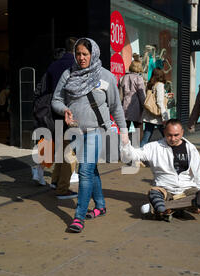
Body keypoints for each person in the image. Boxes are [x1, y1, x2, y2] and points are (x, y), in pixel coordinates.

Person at [52, 38, 128, 233]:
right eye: (78, 54)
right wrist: (64, 110)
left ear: (93, 53)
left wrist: (124, 131)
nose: (81, 57)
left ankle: (78, 217)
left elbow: (116, 107)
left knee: (84, 171)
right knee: (91, 170)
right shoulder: (68, 74)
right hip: (76, 131)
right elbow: (56, 99)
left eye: (85, 54)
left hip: (98, 131)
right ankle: (100, 205)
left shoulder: (107, 77)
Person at [121, 119, 200, 217]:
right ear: (164, 132)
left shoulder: (191, 149)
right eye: (169, 135)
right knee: (154, 193)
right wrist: (126, 143)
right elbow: (133, 155)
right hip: (165, 190)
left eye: (176, 135)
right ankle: (179, 207)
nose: (173, 139)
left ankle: (162, 208)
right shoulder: (154, 147)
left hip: (187, 190)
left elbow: (199, 173)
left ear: (182, 132)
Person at [46, 37, 79, 199]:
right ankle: (62, 188)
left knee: (61, 149)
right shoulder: (75, 66)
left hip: (55, 112)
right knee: (69, 153)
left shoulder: (54, 65)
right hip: (70, 114)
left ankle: (55, 180)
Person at [140, 67, 170, 147]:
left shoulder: (150, 84)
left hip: (149, 115)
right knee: (168, 136)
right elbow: (159, 101)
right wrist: (165, 116)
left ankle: (139, 155)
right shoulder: (160, 85)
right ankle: (172, 153)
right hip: (158, 116)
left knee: (146, 138)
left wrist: (166, 95)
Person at [118, 60, 146, 143]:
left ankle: (123, 147)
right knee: (138, 128)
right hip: (136, 106)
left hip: (125, 106)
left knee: (124, 128)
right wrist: (144, 106)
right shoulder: (139, 78)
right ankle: (136, 147)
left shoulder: (123, 78)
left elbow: (120, 94)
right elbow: (141, 95)